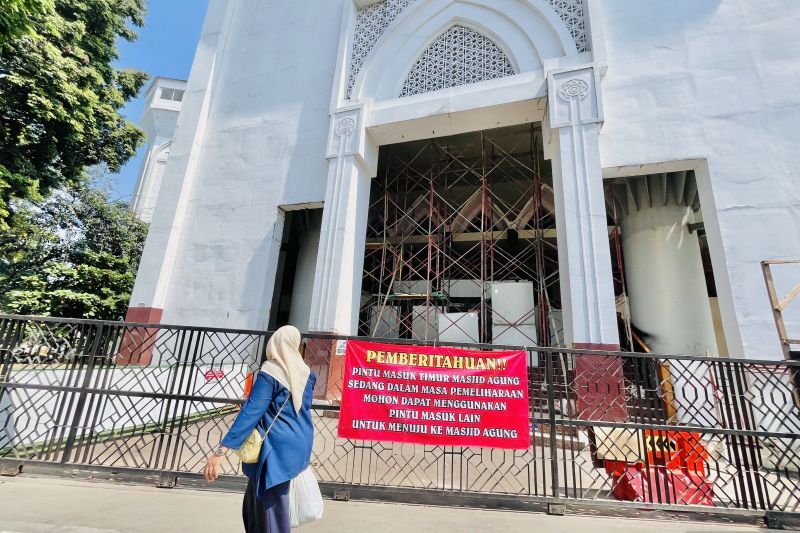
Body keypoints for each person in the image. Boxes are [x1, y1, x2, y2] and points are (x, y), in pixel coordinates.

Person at [204, 325, 316, 533]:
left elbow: (251, 411)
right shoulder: (307, 373)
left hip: (275, 447)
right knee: (257, 503)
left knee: (271, 511)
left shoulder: (271, 371)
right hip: (299, 442)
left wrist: (221, 451)